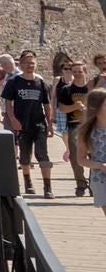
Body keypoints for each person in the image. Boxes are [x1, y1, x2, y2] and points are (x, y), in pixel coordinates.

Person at [3, 50, 54, 196]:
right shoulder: (14, 82)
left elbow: (47, 104)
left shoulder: (40, 82)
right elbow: (7, 102)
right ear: (21, 64)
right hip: (22, 124)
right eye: (26, 62)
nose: (29, 65)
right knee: (25, 156)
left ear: (35, 64)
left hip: (39, 123)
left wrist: (49, 124)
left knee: (42, 154)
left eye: (32, 62)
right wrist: (12, 119)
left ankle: (47, 187)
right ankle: (28, 182)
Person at [58, 63, 91, 197]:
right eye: (74, 71)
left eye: (80, 71)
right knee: (76, 155)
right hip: (74, 125)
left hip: (92, 125)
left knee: (95, 155)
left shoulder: (92, 88)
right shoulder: (67, 89)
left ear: (85, 72)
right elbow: (62, 108)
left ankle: (94, 183)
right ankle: (81, 184)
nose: (77, 74)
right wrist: (74, 106)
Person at [76, 87, 106, 218]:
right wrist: (100, 166)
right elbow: (81, 159)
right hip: (100, 179)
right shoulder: (86, 130)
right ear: (97, 107)